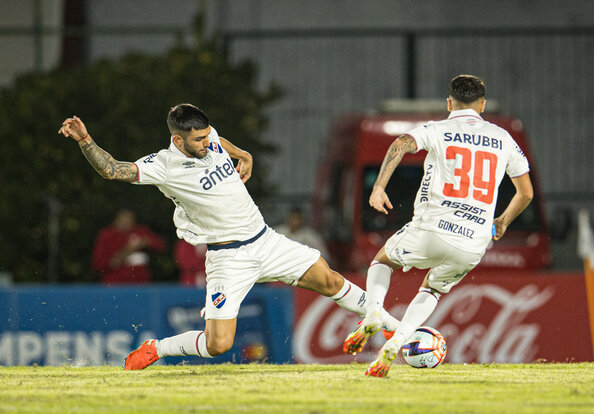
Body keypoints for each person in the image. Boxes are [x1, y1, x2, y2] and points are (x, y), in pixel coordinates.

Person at [58, 103, 399, 370]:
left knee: (330, 280)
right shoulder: (164, 165)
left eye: (207, 136)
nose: (207, 143)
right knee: (218, 344)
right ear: (178, 141)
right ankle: (157, 349)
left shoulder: (208, 139)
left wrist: (243, 154)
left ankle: (396, 329)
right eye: (198, 140)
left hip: (266, 241)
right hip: (229, 259)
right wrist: (85, 140)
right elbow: (112, 169)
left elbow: (220, 141)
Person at [342, 75, 533, 377]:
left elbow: (401, 144)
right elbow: (526, 193)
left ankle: (375, 312)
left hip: (432, 228)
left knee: (383, 260)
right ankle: (398, 342)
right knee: (432, 290)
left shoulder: (437, 129)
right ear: (483, 105)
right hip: (473, 242)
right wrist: (503, 221)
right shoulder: (503, 138)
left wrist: (378, 188)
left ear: (449, 103)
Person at [92, 208, 166, 284]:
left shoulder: (140, 231)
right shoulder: (107, 235)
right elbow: (99, 264)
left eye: (130, 219)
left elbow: (161, 245)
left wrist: (146, 242)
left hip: (141, 282)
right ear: (116, 220)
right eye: (124, 219)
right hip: (115, 283)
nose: (127, 222)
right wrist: (129, 250)